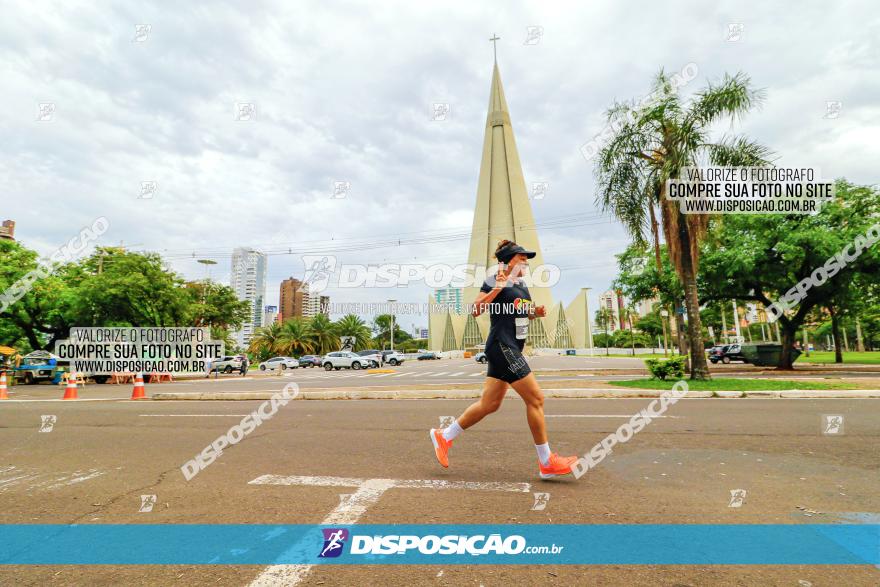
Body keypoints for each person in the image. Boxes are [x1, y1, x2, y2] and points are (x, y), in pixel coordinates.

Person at [429, 240, 578, 479]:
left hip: (512, 348)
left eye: (527, 259)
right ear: (508, 261)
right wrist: (497, 289)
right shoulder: (492, 280)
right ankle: (546, 461)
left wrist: (534, 313)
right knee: (536, 399)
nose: (526, 262)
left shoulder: (522, 285)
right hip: (502, 346)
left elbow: (520, 312)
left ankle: (444, 436)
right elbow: (476, 309)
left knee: (490, 404)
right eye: (521, 258)